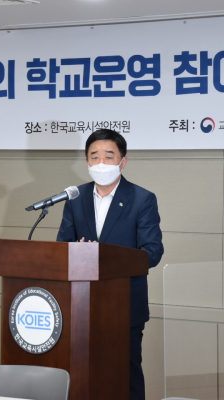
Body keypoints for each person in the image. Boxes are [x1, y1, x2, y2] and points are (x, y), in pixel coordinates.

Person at [57, 129, 164, 400]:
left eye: (108, 156)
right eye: (94, 156)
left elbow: (152, 252)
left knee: (125, 376)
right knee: (83, 374)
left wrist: (105, 258)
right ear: (87, 161)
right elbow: (61, 248)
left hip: (124, 306)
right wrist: (78, 252)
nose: (101, 163)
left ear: (123, 161)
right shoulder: (75, 198)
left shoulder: (142, 199)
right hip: (80, 306)